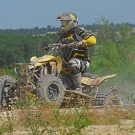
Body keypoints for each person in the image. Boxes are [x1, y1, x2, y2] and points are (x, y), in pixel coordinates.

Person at [56, 12, 96, 92]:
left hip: (82, 61)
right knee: (54, 64)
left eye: (66, 23)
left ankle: (78, 88)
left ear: (72, 22)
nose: (63, 25)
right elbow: (58, 43)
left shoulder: (79, 31)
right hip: (66, 61)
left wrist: (81, 43)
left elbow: (93, 40)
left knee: (72, 63)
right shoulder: (62, 34)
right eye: (62, 23)